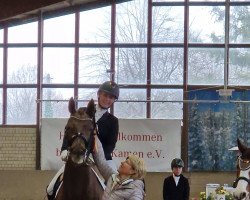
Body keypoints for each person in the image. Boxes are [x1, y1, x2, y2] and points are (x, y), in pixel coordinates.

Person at [46, 80, 120, 200]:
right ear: (99, 94)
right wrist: (64, 149)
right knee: (50, 188)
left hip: (102, 160)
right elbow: (70, 131)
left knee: (116, 188)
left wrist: (93, 155)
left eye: (111, 97)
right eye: (105, 95)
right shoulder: (82, 111)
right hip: (77, 155)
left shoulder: (113, 121)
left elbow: (110, 146)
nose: (107, 99)